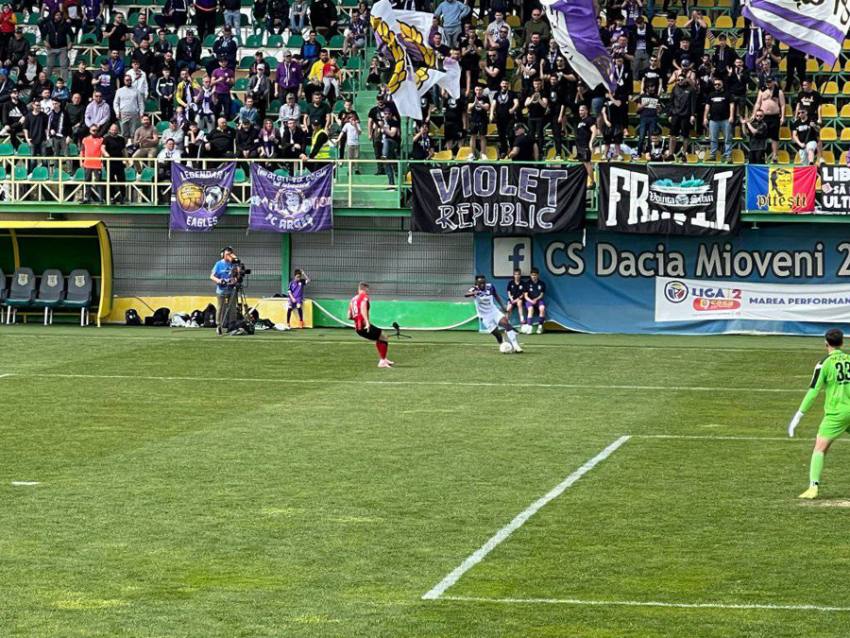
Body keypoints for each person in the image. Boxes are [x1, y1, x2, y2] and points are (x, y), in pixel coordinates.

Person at [788, 329, 850, 499]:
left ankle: (813, 487)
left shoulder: (824, 363)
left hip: (836, 414)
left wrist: (798, 416)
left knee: (819, 448)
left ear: (826, 343)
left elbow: (813, 391)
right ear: (842, 343)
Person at [464, 275, 522, 353]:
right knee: (497, 335)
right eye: (480, 283)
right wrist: (474, 293)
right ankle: (503, 345)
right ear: (476, 283)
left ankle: (516, 346)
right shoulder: (474, 289)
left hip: (494, 311)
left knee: (506, 323)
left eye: (483, 283)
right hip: (484, 316)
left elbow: (496, 296)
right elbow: (466, 294)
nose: (482, 285)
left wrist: (503, 307)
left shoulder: (490, 286)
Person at [348, 282, 394, 368]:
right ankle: (382, 361)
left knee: (381, 337)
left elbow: (349, 316)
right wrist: (367, 322)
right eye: (368, 289)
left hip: (358, 328)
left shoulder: (353, 299)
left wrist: (357, 319)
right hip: (364, 326)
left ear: (359, 289)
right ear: (365, 289)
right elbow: (363, 308)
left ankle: (383, 359)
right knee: (383, 336)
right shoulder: (364, 297)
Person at [210, 246, 238, 335]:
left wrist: (235, 280)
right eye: (227, 254)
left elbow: (238, 275)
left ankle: (232, 325)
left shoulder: (233, 264)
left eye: (230, 254)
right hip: (221, 290)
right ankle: (219, 326)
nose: (228, 256)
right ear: (222, 255)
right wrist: (219, 281)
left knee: (233, 308)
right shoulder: (218, 264)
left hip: (232, 290)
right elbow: (212, 276)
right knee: (220, 308)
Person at [80, 123, 106, 203]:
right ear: (90, 130)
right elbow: (82, 151)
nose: (95, 132)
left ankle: (101, 199)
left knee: (99, 181)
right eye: (93, 130)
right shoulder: (85, 139)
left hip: (97, 163)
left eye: (97, 130)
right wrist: (81, 161)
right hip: (87, 163)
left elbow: (102, 151)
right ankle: (87, 198)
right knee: (87, 181)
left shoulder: (101, 139)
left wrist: (102, 162)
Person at [102, 123, 126, 203]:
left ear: (118, 130)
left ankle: (123, 196)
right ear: (109, 130)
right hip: (109, 163)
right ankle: (111, 197)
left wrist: (126, 159)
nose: (114, 131)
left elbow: (124, 150)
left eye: (115, 129)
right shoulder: (106, 138)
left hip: (119, 162)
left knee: (122, 179)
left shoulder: (121, 139)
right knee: (110, 180)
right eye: (112, 129)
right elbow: (102, 148)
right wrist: (106, 154)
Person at [523, 267, 546, 334]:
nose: (534, 277)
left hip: (538, 300)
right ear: (530, 275)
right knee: (530, 309)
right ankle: (529, 327)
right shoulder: (527, 284)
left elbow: (541, 295)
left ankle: (540, 326)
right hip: (529, 300)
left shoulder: (542, 284)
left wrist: (536, 299)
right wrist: (531, 301)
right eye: (532, 275)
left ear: (538, 275)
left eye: (535, 275)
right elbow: (525, 296)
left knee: (542, 308)